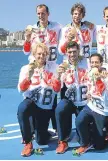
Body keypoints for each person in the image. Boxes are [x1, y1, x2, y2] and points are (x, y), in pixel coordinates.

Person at [17, 43, 61, 157]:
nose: (41, 56)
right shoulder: (26, 68)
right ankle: (27, 142)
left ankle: (41, 130)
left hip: (45, 106)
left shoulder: (54, 68)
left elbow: (57, 90)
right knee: (22, 109)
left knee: (42, 141)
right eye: (38, 54)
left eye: (43, 54)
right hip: (31, 102)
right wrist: (28, 78)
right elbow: (21, 90)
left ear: (47, 54)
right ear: (34, 54)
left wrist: (57, 79)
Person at [23, 4, 62, 132]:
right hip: (36, 65)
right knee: (33, 92)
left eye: (43, 13)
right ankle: (32, 126)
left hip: (50, 65)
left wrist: (86, 23)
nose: (41, 16)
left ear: (48, 13)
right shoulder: (32, 28)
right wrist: (27, 39)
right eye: (39, 13)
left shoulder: (56, 26)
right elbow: (26, 51)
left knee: (52, 94)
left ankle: (57, 128)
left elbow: (70, 30)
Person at [55, 41, 89, 154]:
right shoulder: (63, 66)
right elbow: (56, 88)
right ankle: (62, 140)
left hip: (84, 100)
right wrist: (58, 76)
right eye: (69, 52)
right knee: (60, 109)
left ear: (79, 51)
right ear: (66, 53)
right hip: (71, 99)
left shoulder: (86, 62)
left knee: (84, 138)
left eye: (74, 51)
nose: (72, 54)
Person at [74, 53, 108, 154]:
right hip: (90, 106)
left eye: (97, 62)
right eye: (92, 62)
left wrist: (99, 79)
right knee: (79, 120)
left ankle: (104, 133)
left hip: (102, 110)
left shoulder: (106, 75)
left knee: (99, 146)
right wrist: (87, 94)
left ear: (101, 63)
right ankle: (85, 143)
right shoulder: (89, 73)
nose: (94, 65)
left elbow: (103, 91)